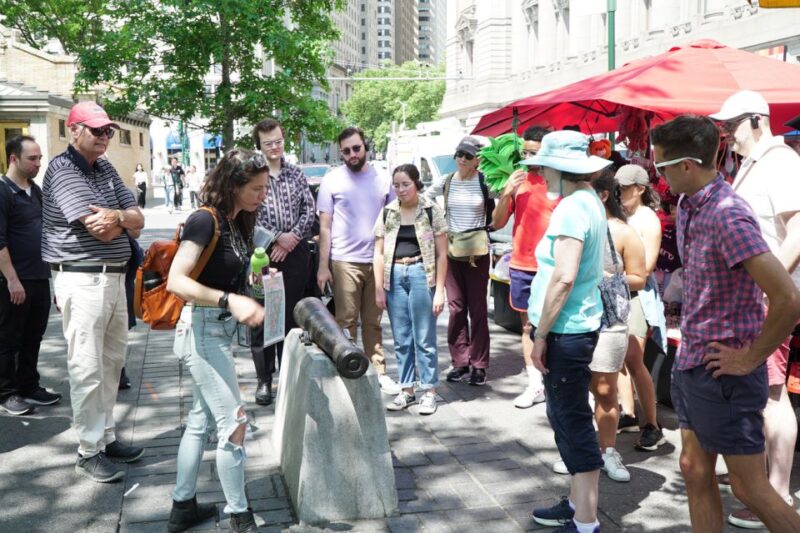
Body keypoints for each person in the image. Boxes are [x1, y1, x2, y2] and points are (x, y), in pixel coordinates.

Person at [651, 114, 800, 533]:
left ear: (686, 166)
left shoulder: (727, 214)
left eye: (661, 166)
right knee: (694, 468)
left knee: (749, 487)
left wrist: (749, 358)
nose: (659, 176)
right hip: (694, 362)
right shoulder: (689, 204)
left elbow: (789, 299)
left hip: (724, 374)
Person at [709, 89, 800, 529]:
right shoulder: (755, 163)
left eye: (732, 124)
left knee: (771, 394)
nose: (727, 133)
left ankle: (777, 491)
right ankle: (763, 482)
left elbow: (797, 230)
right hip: (760, 296)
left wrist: (770, 285)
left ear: (757, 121)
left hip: (771, 298)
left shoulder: (780, 163)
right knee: (764, 392)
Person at [42, 101, 145, 482]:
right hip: (82, 278)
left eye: (108, 131)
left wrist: (117, 215)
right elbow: (98, 230)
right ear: (74, 130)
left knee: (112, 362)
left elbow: (138, 219)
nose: (104, 137)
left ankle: (106, 437)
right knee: (87, 366)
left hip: (114, 277)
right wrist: (122, 219)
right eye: (96, 130)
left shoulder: (105, 167)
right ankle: (88, 451)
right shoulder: (62, 169)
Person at [166, 149, 267, 533]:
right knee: (234, 424)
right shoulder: (204, 220)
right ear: (234, 185)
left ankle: (182, 507)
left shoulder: (235, 222)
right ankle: (240, 516)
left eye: (265, 188)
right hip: (202, 331)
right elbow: (177, 281)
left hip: (214, 331)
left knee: (199, 419)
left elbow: (223, 272)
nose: (262, 195)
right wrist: (229, 300)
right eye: (256, 188)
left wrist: (251, 281)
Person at [524, 130, 612, 533]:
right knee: (567, 416)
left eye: (544, 166)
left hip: (567, 331)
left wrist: (541, 334)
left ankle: (586, 522)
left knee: (572, 421)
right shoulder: (586, 200)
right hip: (573, 328)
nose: (541, 173)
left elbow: (563, 277)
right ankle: (578, 505)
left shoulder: (574, 207)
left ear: (561, 168)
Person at [316, 126, 399, 395]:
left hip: (377, 261)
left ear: (366, 147)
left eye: (356, 148)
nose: (352, 154)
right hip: (344, 261)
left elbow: (394, 222)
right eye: (346, 151)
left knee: (373, 322)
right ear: (341, 153)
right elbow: (325, 227)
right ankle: (348, 371)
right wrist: (323, 267)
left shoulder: (384, 179)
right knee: (345, 321)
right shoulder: (332, 180)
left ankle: (379, 372)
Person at [586, 169, 646, 483]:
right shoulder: (574, 225)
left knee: (606, 391)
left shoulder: (623, 232)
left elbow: (639, 278)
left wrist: (609, 278)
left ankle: (608, 451)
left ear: (603, 195)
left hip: (608, 321)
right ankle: (580, 453)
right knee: (573, 392)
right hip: (573, 320)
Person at [250, 118, 315, 406]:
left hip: (295, 253)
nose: (275, 147)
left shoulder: (296, 174)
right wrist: (277, 238)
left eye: (278, 141)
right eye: (268, 143)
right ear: (259, 146)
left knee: (290, 316)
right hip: (265, 255)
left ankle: (290, 375)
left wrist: (292, 238)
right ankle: (264, 379)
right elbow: (249, 215)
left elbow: (309, 210)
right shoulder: (253, 175)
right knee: (265, 317)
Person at [374, 164, 447, 415]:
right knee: (401, 337)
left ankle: (429, 390)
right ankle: (406, 389)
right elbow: (378, 252)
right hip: (394, 274)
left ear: (416, 183)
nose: (401, 189)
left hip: (421, 273)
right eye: (396, 185)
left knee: (424, 337)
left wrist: (439, 290)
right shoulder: (388, 212)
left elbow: (442, 254)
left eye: (405, 184)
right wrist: (379, 288)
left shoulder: (430, 210)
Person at [491, 125, 555, 407]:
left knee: (556, 327)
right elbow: (497, 223)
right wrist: (506, 193)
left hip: (552, 266)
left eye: (534, 153)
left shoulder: (559, 182)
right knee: (528, 326)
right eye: (525, 152)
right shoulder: (518, 181)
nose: (528, 158)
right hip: (522, 265)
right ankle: (535, 385)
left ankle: (559, 384)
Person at [425, 136, 495, 386]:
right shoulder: (446, 181)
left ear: (477, 161)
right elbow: (425, 198)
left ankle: (479, 364)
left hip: (477, 253)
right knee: (456, 308)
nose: (462, 159)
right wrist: (437, 224)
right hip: (452, 251)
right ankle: (460, 362)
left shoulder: (484, 182)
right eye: (459, 154)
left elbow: (505, 200)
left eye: (468, 156)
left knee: (478, 309)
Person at [0, 135, 62, 416]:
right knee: (8, 339)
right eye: (32, 159)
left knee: (33, 336)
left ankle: (28, 386)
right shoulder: (3, 191)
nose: (38, 164)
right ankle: (6, 393)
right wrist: (12, 280)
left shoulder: (35, 191)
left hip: (39, 277)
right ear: (14, 158)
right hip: (13, 280)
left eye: (39, 158)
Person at [614, 164, 667, 451]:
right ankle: (629, 413)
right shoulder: (621, 214)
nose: (619, 192)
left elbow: (646, 268)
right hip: (619, 290)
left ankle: (653, 425)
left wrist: (611, 275)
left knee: (634, 358)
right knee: (620, 356)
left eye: (623, 187)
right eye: (617, 187)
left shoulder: (648, 219)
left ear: (640, 189)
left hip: (637, 294)